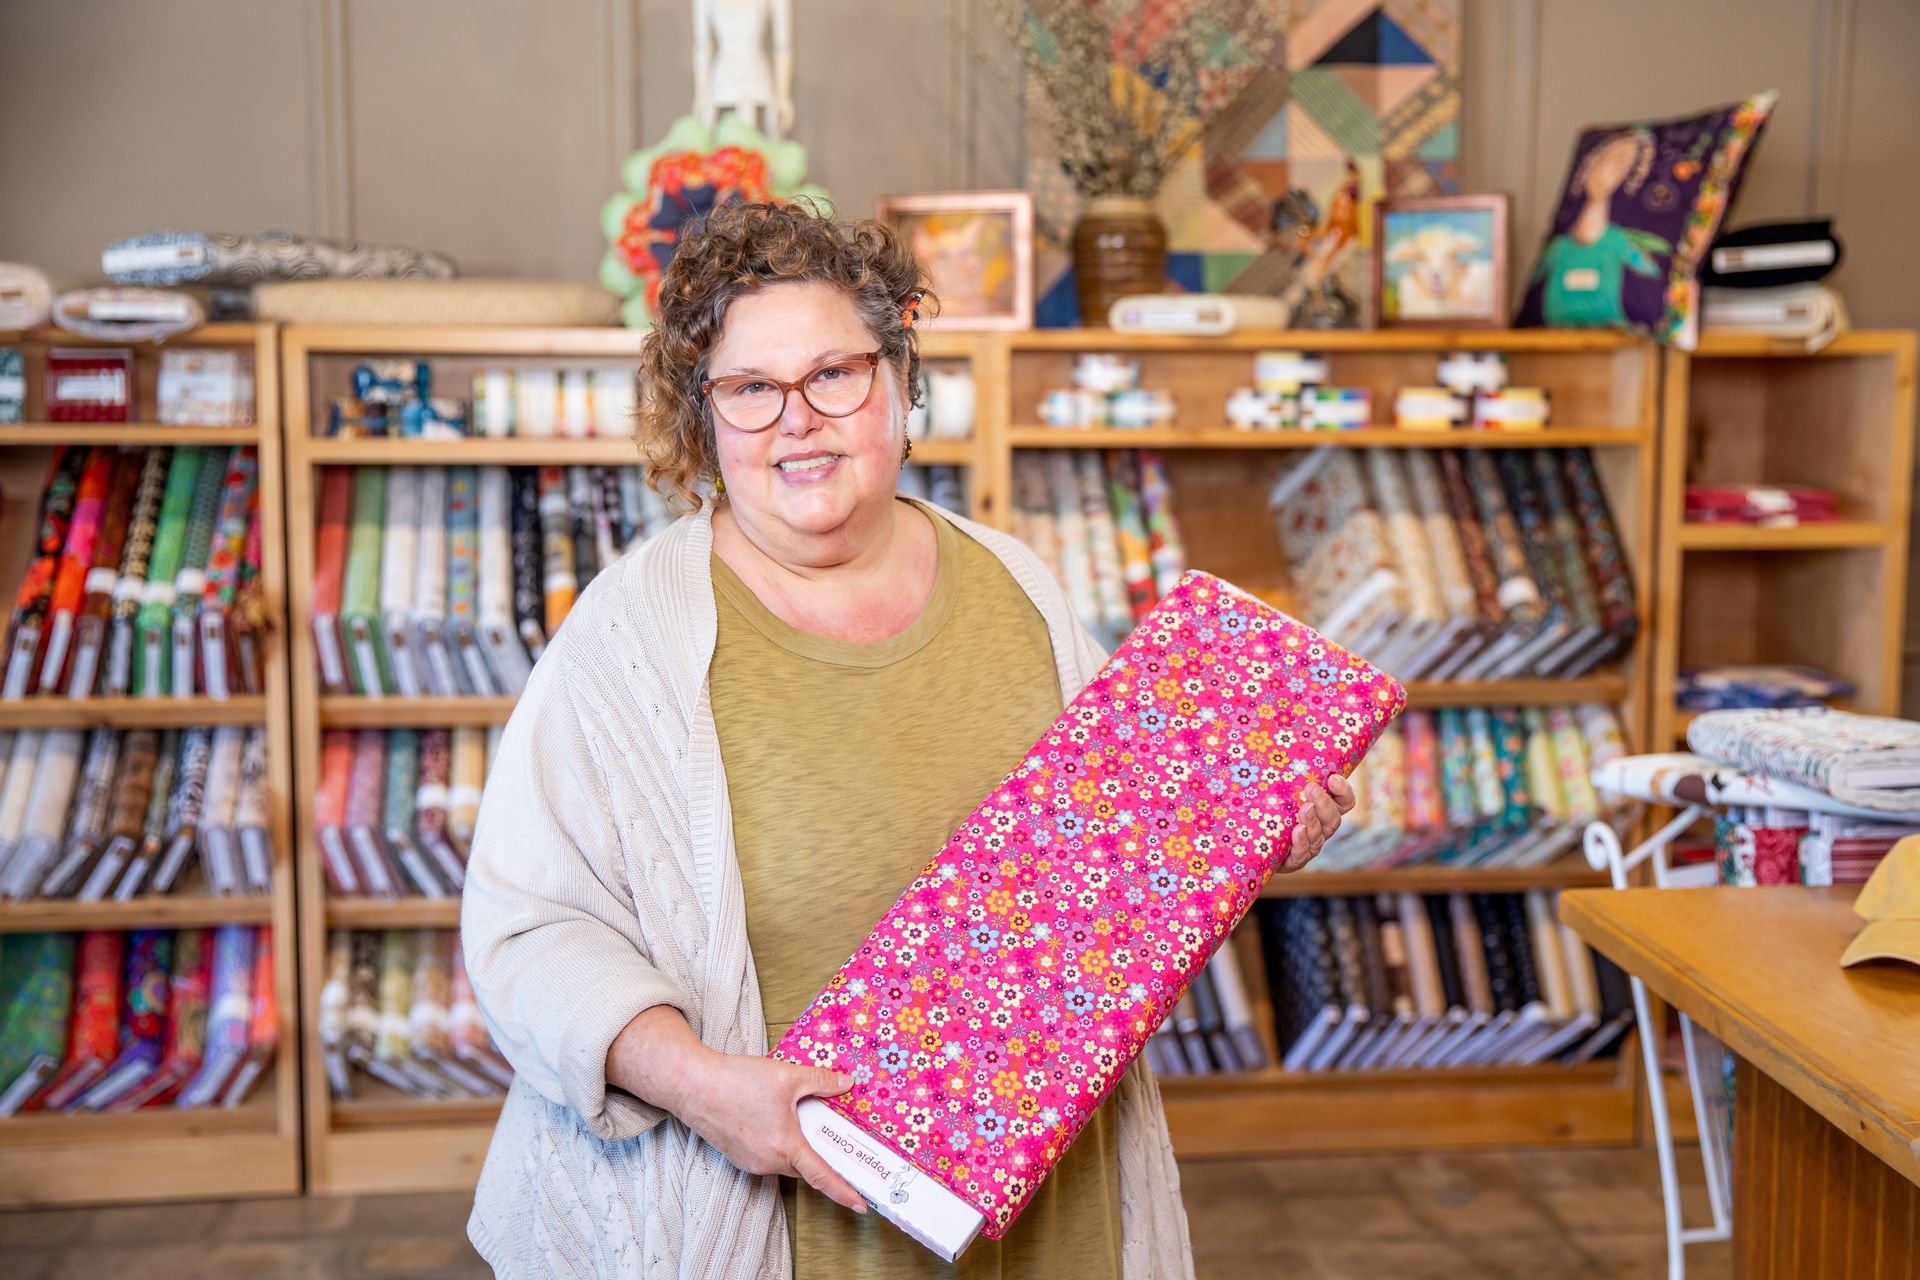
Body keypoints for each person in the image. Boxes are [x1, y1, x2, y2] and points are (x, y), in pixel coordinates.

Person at [460, 200, 1354, 1279]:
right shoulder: (628, 638)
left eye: (834, 371)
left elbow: (1122, 867)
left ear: (898, 376)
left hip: (1054, 1219)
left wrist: (1248, 821)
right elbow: (530, 931)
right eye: (750, 389)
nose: (799, 418)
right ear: (700, 417)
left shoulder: (1018, 585)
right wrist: (707, 1086)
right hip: (791, 1233)